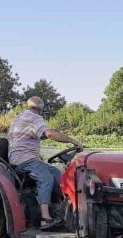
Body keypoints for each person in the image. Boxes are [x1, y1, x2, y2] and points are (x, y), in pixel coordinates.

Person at [7, 96, 82, 229]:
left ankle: (65, 209)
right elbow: (50, 134)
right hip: (24, 159)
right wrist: (72, 141)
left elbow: (38, 135)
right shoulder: (34, 118)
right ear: (41, 110)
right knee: (46, 178)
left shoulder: (19, 117)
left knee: (56, 173)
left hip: (22, 158)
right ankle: (45, 218)